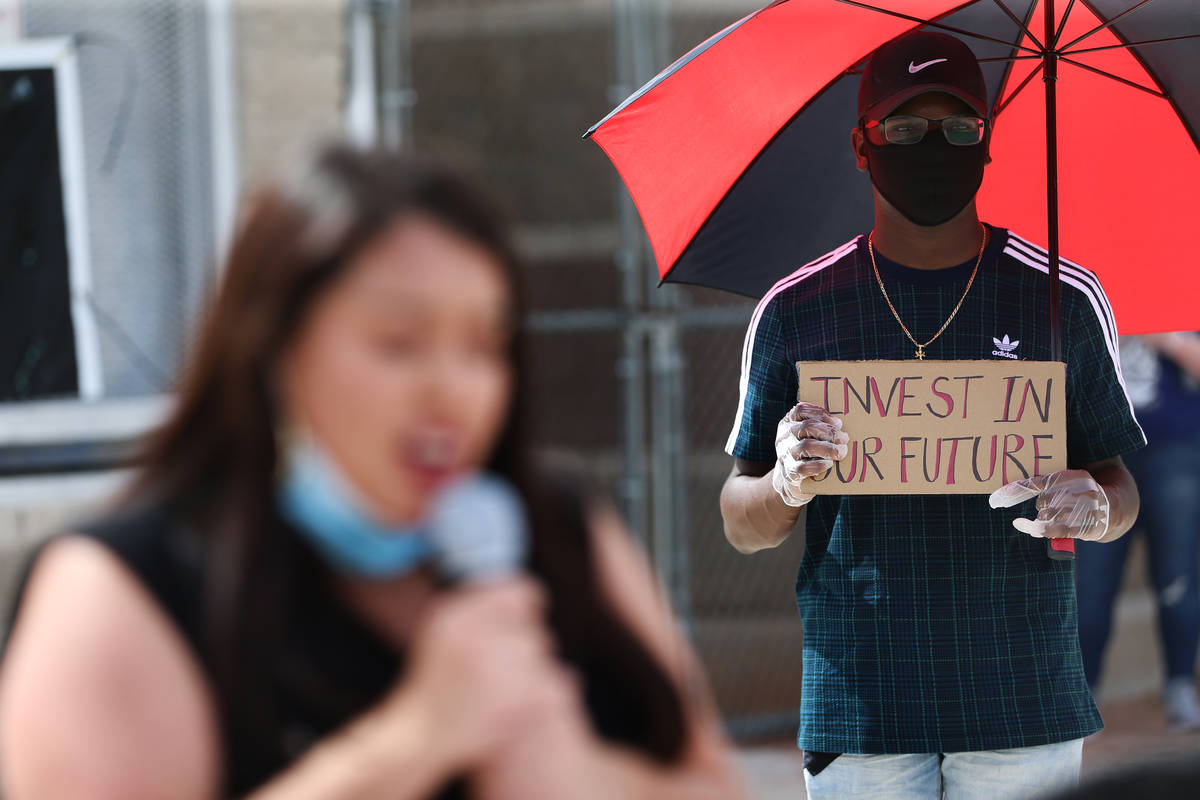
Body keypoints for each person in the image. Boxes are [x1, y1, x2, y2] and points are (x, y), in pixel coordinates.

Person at [0, 145, 744, 800]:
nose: (452, 388)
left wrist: (577, 779)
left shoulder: (557, 525)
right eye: (399, 342)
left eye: (484, 346)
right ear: (274, 353)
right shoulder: (126, 586)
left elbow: (714, 783)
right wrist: (416, 738)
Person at [719, 31, 1145, 800]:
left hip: (1022, 696)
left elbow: (1118, 489)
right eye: (907, 129)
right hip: (863, 704)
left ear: (987, 144)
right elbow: (739, 517)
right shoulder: (795, 309)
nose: (935, 146)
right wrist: (786, 483)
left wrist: (1096, 507)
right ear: (862, 144)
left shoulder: (1062, 299)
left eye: (959, 129)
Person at [1076, 331, 1200, 731]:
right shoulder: (1085, 290)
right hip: (1099, 451)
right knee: (1090, 583)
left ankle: (1180, 687)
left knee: (1178, 576)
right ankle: (1085, 694)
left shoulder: (1182, 283)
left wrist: (1164, 338)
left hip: (1174, 448)